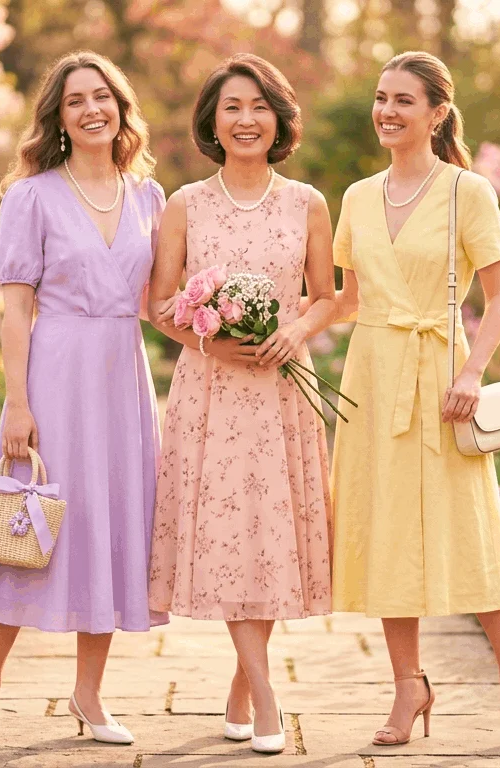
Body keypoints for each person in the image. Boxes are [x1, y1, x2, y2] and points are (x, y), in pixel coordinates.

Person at [327, 51, 500, 750]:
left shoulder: (466, 192)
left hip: (445, 377)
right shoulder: (359, 196)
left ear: (437, 112)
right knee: (386, 535)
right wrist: (263, 323)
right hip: (372, 378)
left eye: (404, 100)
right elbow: (350, 300)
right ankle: (407, 688)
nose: (387, 111)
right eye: (381, 98)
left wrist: (473, 371)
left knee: (472, 534)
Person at [0, 50, 167, 748]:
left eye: (102, 96)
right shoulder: (32, 195)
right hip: (53, 372)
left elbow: (161, 305)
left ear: (121, 107)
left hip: (123, 377)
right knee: (22, 526)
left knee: (107, 526)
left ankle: (89, 694)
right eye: (75, 100)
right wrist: (18, 403)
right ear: (59, 117)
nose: (91, 109)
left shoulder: (148, 198)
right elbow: (16, 310)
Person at [145, 53, 336, 755]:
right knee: (233, 539)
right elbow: (158, 302)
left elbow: (329, 296)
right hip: (213, 391)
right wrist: (209, 340)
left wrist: (293, 329)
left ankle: (240, 684)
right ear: (213, 123)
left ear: (278, 119)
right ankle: (267, 701)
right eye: (232, 108)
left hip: (285, 388)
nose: (246, 119)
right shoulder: (184, 204)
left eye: (258, 106)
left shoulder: (308, 202)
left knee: (270, 539)